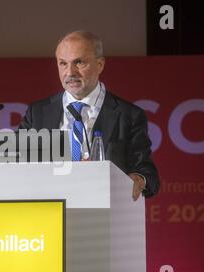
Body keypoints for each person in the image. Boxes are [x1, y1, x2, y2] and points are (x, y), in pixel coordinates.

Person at [19, 30, 160, 200]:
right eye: (63, 63)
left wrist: (138, 179)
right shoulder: (38, 113)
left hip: (103, 213)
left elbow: (147, 173)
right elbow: (18, 163)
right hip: (50, 211)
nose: (70, 72)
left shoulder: (128, 115)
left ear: (100, 64)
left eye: (78, 62)